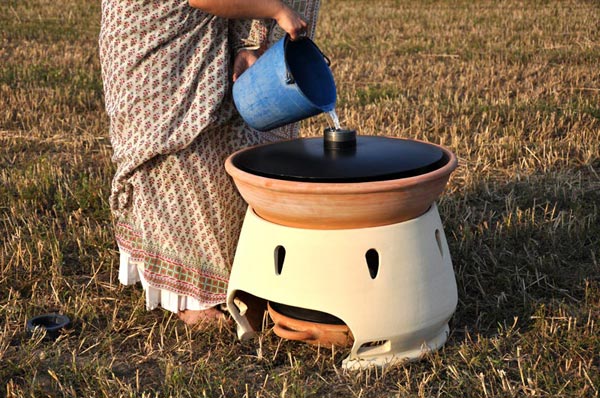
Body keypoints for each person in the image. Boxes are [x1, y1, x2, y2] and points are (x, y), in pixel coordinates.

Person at [99, 0, 322, 325]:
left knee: (216, 159)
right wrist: (276, 11)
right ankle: (191, 298)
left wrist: (249, 44)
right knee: (179, 160)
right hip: (161, 42)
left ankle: (227, 283)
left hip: (200, 30)